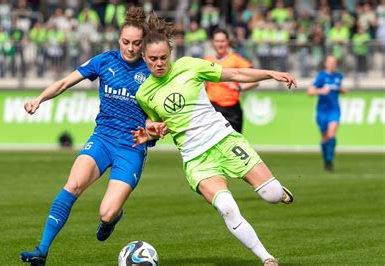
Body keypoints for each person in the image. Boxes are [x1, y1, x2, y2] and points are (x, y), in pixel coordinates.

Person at [132, 13, 296, 266]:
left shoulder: (190, 66)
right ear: (143, 57)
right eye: (152, 59)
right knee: (228, 208)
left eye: (164, 58)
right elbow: (153, 123)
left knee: (272, 195)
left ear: (171, 55)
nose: (159, 63)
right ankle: (267, 258)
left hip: (224, 140)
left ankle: (277, 190)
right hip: (196, 158)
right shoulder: (144, 93)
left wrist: (270, 73)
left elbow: (236, 75)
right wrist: (152, 131)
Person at [20, 7, 166, 265]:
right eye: (125, 42)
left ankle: (113, 218)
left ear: (144, 44)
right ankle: (41, 251)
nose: (130, 48)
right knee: (72, 185)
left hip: (131, 147)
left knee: (106, 213)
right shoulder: (105, 60)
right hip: (102, 139)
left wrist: (152, 132)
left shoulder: (152, 73)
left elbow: (156, 120)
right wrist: (39, 99)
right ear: (118, 40)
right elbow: (65, 82)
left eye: (136, 43)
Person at [205, 28, 259, 133]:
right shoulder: (207, 61)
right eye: (217, 41)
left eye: (222, 41)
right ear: (213, 43)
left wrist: (239, 87)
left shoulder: (235, 59)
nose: (220, 44)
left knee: (234, 143)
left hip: (232, 110)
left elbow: (255, 79)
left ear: (227, 42)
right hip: (213, 109)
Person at [307, 55, 346, 171]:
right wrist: (320, 91)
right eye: (330, 62)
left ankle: (329, 160)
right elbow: (310, 91)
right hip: (322, 111)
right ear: (326, 64)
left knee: (332, 135)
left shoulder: (339, 76)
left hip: (334, 110)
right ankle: (326, 159)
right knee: (324, 139)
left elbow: (338, 88)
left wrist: (342, 90)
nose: (333, 64)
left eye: (334, 62)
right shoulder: (321, 76)